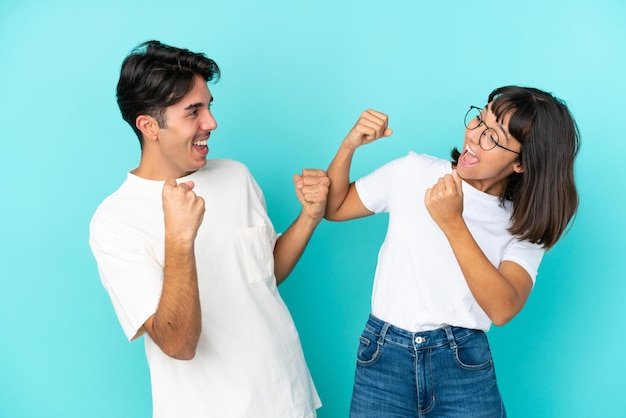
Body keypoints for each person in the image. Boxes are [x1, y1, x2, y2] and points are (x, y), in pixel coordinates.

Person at [89, 40, 328, 418]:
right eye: (193, 112)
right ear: (149, 126)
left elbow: (264, 274)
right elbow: (179, 344)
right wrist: (180, 240)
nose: (211, 123)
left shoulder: (236, 175)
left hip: (288, 399)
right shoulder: (115, 221)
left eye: (209, 107)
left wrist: (310, 216)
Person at [324, 86, 579, 417]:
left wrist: (453, 224)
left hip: (462, 365)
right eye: (479, 119)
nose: (474, 136)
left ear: (522, 163)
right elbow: (335, 206)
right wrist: (349, 147)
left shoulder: (522, 225)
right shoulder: (414, 171)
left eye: (493, 137)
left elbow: (503, 308)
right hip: (383, 357)